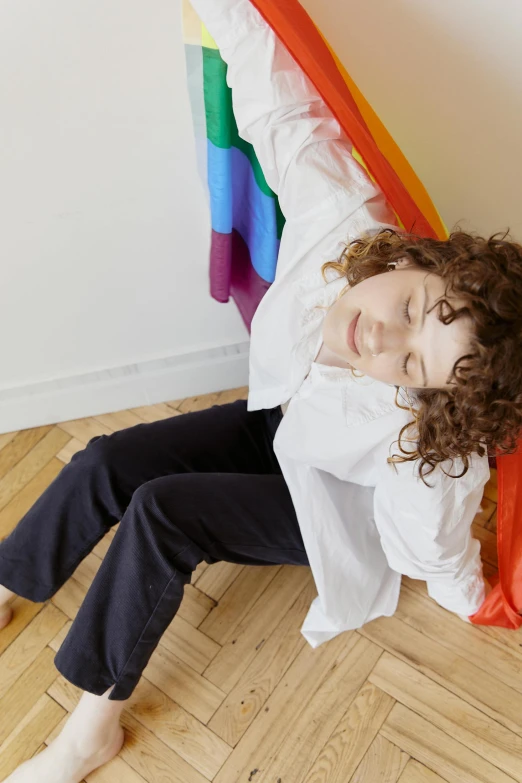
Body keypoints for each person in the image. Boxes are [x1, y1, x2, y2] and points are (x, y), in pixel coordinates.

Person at [1, 0, 520, 780]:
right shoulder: (345, 217)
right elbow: (282, 104)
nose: (382, 337)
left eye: (412, 363)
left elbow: (433, 547)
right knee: (106, 460)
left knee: (162, 513)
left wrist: (476, 596)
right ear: (420, 260)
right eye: (410, 309)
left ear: (431, 397)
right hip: (285, 421)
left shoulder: (430, 455)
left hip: (330, 503)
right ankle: (13, 577)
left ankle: (88, 733)